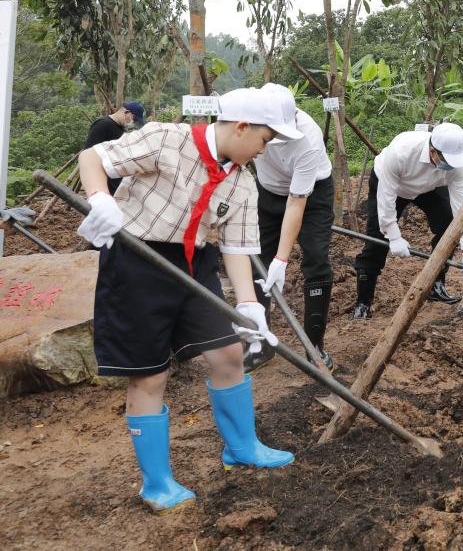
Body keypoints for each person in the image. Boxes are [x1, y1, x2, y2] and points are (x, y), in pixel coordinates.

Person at [75, 86, 303, 513]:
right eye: (265, 140)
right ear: (241, 126)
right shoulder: (166, 139)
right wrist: (100, 198)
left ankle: (242, 447)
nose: (264, 151)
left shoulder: (242, 184)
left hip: (196, 264)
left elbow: (236, 250)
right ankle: (157, 483)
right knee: (149, 376)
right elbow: (94, 159)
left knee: (228, 355)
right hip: (138, 261)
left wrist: (250, 307)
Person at [243, 83, 336, 373]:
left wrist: (282, 260)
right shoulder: (248, 119)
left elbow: (297, 203)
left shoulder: (307, 139)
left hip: (312, 193)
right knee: (257, 261)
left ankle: (314, 346)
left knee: (316, 259)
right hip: (268, 191)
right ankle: (261, 344)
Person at [351, 123, 463, 317]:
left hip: (430, 188)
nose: (451, 166)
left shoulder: (456, 165)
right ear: (432, 150)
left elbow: (462, 208)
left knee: (447, 228)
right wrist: (393, 236)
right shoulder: (401, 151)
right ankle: (363, 303)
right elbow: (386, 198)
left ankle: (436, 284)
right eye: (446, 160)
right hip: (392, 185)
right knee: (377, 241)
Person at [83, 100, 147, 195]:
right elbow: (88, 154)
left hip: (116, 180)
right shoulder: (103, 125)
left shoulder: (120, 128)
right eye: (134, 119)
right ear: (127, 112)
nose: (133, 122)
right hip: (104, 182)